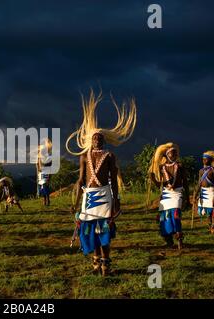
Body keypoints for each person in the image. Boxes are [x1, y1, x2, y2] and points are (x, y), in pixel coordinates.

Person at [66, 90, 136, 276]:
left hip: (104, 196)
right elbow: (81, 179)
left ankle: (106, 265)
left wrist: (116, 200)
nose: (96, 139)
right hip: (88, 197)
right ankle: (96, 263)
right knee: (90, 232)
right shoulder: (83, 157)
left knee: (103, 231)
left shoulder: (110, 156)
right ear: (91, 140)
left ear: (104, 141)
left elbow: (113, 181)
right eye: (94, 137)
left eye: (99, 138)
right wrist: (76, 202)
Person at [148, 143, 190, 250]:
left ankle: (179, 238)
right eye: (172, 153)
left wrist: (188, 199)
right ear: (167, 155)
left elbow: (185, 183)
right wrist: (153, 179)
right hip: (166, 195)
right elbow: (160, 185)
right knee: (164, 218)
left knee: (175, 216)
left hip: (177, 193)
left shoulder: (180, 166)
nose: (175, 154)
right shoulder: (162, 168)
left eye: (176, 152)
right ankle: (169, 240)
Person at [193, 151, 214, 234]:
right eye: (203, 159)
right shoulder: (201, 171)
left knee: (213, 208)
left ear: (210, 160)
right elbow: (199, 183)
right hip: (203, 192)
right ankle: (210, 224)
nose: (204, 161)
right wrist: (195, 195)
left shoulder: (213, 170)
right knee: (207, 210)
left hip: (211, 191)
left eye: (206, 159)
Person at [36, 138, 53, 206]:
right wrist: (38, 172)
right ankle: (44, 199)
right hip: (41, 173)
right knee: (42, 187)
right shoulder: (39, 157)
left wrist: (49, 176)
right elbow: (37, 165)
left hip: (46, 173)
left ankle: (47, 199)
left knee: (45, 187)